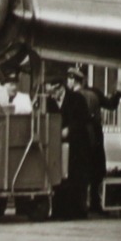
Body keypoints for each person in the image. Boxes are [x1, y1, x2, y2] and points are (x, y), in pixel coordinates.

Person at [72, 67, 121, 213]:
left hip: (83, 135)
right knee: (96, 168)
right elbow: (111, 104)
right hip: (95, 134)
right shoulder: (94, 93)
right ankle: (94, 202)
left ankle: (83, 203)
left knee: (84, 168)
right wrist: (118, 93)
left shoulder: (73, 95)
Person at [46, 73, 94, 219]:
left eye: (54, 92)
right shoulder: (49, 102)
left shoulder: (77, 99)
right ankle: (59, 211)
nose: (52, 95)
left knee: (77, 178)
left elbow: (83, 119)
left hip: (77, 145)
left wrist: (69, 130)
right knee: (59, 177)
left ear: (61, 88)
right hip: (58, 145)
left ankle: (77, 211)